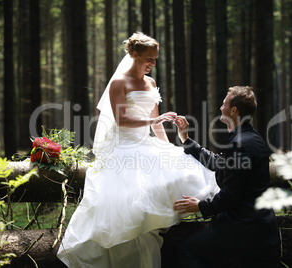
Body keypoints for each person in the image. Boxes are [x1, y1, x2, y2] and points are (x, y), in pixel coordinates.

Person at [57, 32, 217, 268]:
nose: (152, 64)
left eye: (155, 60)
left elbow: (157, 121)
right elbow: (121, 120)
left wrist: (166, 146)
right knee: (129, 199)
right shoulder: (118, 83)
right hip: (123, 145)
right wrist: (154, 122)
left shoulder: (151, 83)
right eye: (149, 59)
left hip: (145, 142)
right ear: (134, 54)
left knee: (183, 167)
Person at [173, 86, 280, 268]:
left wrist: (199, 206)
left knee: (187, 249)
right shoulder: (252, 138)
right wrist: (186, 140)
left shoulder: (238, 144)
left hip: (243, 227)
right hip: (262, 225)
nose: (220, 108)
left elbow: (230, 196)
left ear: (233, 110)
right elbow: (219, 164)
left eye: (224, 104)